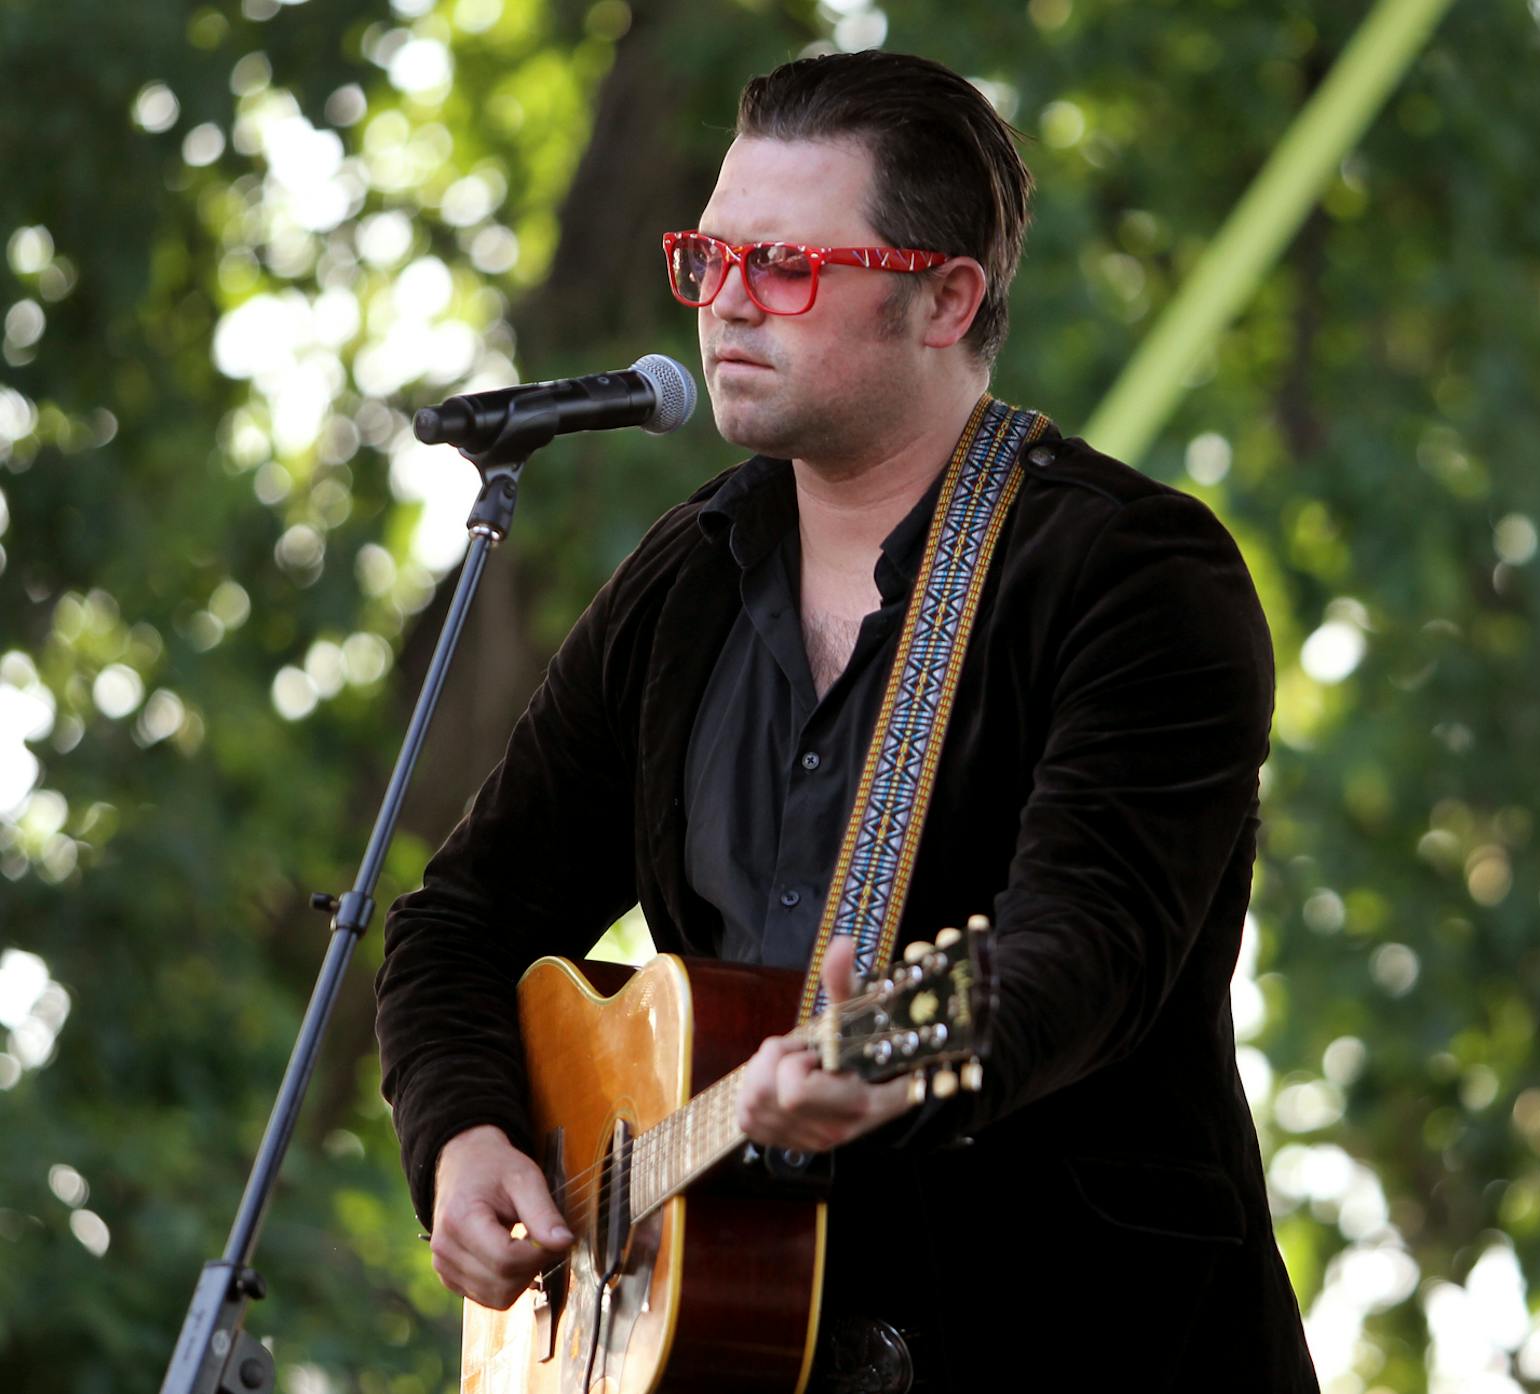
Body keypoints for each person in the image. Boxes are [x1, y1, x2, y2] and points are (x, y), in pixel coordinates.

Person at [374, 49, 1318, 1391]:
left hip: (1083, 1344)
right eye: (709, 259)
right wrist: (463, 1135)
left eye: (787, 268)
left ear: (945, 298)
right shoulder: (686, 579)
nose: (726, 308)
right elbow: (459, 921)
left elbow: (1092, 940)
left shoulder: (1131, 574)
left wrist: (913, 1053)